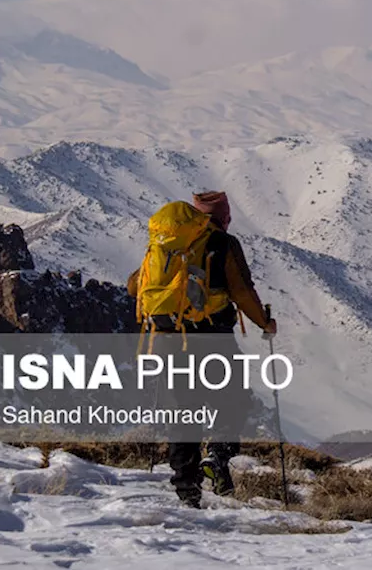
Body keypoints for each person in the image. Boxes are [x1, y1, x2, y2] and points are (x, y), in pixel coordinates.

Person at [127, 190, 278, 508]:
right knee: (233, 399)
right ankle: (218, 457)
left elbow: (134, 286)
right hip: (212, 338)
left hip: (168, 339)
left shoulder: (166, 242)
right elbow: (241, 291)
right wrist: (264, 322)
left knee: (182, 411)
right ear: (225, 217)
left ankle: (187, 491)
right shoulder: (223, 243)